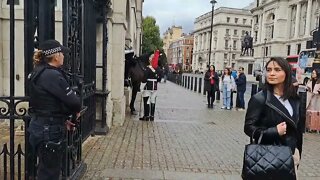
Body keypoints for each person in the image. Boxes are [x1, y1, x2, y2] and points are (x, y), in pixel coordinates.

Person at [27, 40, 81, 179]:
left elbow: (48, 104)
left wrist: (62, 119)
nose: (64, 55)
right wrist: (74, 110)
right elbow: (75, 103)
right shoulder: (52, 75)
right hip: (48, 130)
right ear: (56, 56)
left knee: (45, 169)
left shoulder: (38, 72)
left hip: (40, 126)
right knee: (49, 174)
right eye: (62, 53)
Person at [244, 57, 304, 177]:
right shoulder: (260, 99)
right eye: (269, 69)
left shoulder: (295, 99)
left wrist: (297, 152)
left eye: (277, 70)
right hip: (267, 157)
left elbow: (298, 131)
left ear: (286, 73)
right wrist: (274, 131)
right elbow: (248, 128)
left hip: (291, 156)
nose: (271, 73)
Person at [139, 53, 161, 121]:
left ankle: (146, 116)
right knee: (153, 101)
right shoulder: (158, 69)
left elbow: (144, 79)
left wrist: (141, 88)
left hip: (148, 86)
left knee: (146, 101)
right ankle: (152, 116)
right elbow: (159, 79)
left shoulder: (148, 68)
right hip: (155, 87)